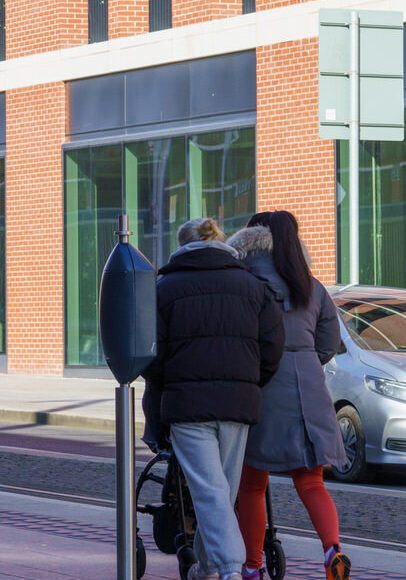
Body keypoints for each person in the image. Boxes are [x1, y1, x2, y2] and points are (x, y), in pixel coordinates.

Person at [143, 217, 285, 580]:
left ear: (182, 245)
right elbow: (272, 346)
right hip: (238, 405)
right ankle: (208, 569)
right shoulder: (252, 286)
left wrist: (168, 383)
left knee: (210, 492)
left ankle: (227, 569)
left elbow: (150, 353)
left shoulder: (165, 288)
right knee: (221, 491)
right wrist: (250, 381)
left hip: (188, 407)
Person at [227, 211, 350, 580]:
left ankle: (252, 566)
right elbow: (329, 344)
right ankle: (332, 550)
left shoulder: (244, 283)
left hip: (260, 387)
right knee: (311, 481)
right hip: (309, 391)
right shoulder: (310, 286)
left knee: (251, 484)